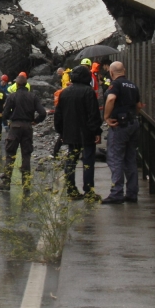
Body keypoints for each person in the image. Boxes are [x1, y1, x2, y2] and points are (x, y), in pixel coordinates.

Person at [54, 66, 103, 200]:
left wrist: (61, 132)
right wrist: (96, 131)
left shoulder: (65, 92)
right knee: (88, 162)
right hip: (86, 133)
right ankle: (88, 190)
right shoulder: (88, 92)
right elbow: (94, 114)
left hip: (70, 133)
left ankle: (71, 189)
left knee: (71, 161)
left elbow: (58, 115)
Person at [101, 61, 145, 204]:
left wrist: (107, 117)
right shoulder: (133, 85)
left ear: (112, 73)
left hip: (120, 125)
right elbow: (138, 106)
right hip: (133, 123)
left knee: (115, 158)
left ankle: (116, 193)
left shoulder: (116, 85)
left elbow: (111, 99)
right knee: (130, 158)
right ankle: (132, 193)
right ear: (124, 70)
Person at [0, 74, 46, 191]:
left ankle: (6, 182)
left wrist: (7, 119)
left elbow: (5, 114)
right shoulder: (33, 97)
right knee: (26, 155)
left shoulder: (12, 97)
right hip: (27, 128)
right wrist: (35, 121)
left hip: (15, 127)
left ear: (17, 84)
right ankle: (26, 184)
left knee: (10, 154)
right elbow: (43, 113)